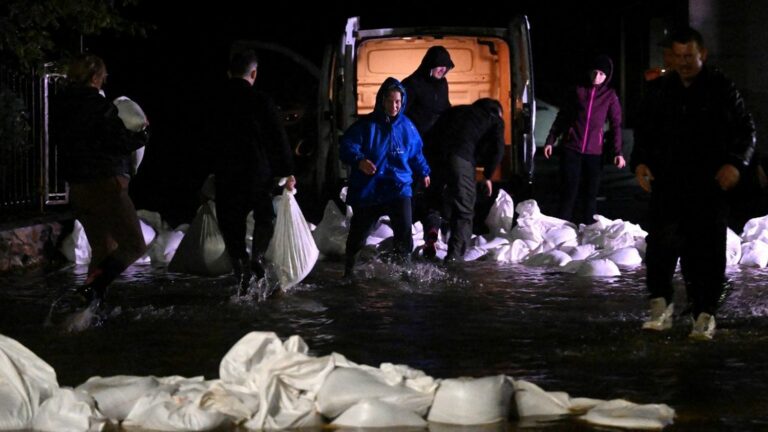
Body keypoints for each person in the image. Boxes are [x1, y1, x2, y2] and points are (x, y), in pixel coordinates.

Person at [631, 27, 756, 340]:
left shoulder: (721, 88)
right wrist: (640, 162)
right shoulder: (661, 90)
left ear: (703, 55)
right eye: (679, 56)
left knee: (706, 251)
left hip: (708, 185)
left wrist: (736, 163)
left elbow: (746, 130)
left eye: (690, 56)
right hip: (668, 184)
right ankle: (661, 307)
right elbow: (645, 133)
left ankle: (705, 313)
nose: (684, 62)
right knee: (660, 245)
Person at [52, 53, 150, 308]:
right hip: (105, 185)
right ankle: (91, 289)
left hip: (78, 188)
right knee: (134, 245)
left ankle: (88, 311)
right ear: (96, 77)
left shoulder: (61, 106)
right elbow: (119, 141)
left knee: (103, 248)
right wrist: (142, 135)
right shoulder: (99, 106)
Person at [212, 50, 296, 295]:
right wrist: (287, 171)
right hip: (258, 174)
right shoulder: (261, 100)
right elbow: (278, 139)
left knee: (232, 227)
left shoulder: (216, 101)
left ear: (229, 73)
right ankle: (257, 258)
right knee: (265, 217)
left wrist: (208, 174)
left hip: (226, 175)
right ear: (254, 73)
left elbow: (204, 140)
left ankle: (242, 276)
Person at [340, 77, 431, 278]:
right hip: (370, 189)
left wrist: (424, 171)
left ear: (403, 102)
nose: (394, 105)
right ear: (382, 100)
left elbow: (416, 153)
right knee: (358, 234)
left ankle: (404, 272)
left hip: (398, 187)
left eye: (398, 101)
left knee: (404, 233)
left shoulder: (407, 127)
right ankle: (349, 271)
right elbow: (347, 146)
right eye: (390, 101)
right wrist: (360, 160)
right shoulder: (366, 126)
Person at [543, 55, 625, 225]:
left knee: (590, 195)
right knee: (568, 193)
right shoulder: (578, 90)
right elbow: (563, 116)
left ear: (607, 76)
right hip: (572, 149)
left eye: (602, 74)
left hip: (594, 153)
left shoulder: (609, 96)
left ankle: (588, 232)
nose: (597, 77)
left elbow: (616, 124)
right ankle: (560, 231)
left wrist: (618, 152)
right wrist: (551, 140)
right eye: (594, 72)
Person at [426, 98, 505, 262]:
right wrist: (488, 176)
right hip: (460, 158)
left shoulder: (456, 110)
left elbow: (431, 133)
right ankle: (454, 259)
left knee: (437, 202)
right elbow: (498, 150)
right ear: (496, 112)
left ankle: (431, 231)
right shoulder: (493, 119)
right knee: (464, 210)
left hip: (434, 158)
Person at [402, 45, 454, 257]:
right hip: (415, 145)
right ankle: (409, 225)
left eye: (445, 68)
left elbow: (445, 107)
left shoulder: (442, 85)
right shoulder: (412, 84)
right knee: (414, 184)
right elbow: (401, 114)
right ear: (428, 66)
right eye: (438, 67)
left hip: (437, 144)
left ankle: (432, 227)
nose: (442, 71)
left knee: (435, 185)